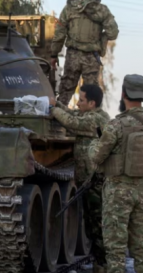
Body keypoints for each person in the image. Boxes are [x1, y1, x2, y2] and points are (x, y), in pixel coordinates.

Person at [89, 75, 143, 273]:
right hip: (142, 189)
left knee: (116, 250)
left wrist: (93, 144)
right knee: (142, 248)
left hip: (118, 191)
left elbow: (97, 156)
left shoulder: (116, 125)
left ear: (123, 93)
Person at [49, 84, 110, 272]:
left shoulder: (97, 119)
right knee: (91, 225)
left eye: (81, 100)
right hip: (88, 181)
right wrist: (58, 104)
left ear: (92, 103)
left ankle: (104, 265)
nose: (78, 104)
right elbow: (73, 114)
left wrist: (52, 109)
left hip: (96, 182)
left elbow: (72, 122)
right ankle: (100, 263)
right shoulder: (89, 114)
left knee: (98, 226)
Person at [50, 0, 119, 106]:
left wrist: (54, 55)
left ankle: (59, 117)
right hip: (92, 57)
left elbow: (59, 34)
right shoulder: (102, 10)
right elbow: (113, 33)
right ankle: (89, 119)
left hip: (73, 56)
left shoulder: (69, 8)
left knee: (64, 94)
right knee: (91, 96)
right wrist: (101, 39)